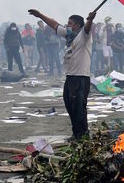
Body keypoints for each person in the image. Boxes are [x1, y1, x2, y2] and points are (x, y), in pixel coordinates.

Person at [28, 9, 96, 140]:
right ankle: (76, 133)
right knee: (69, 104)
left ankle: (82, 135)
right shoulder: (69, 35)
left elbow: (87, 28)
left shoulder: (84, 35)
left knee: (78, 107)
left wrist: (90, 19)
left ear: (77, 25)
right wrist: (40, 15)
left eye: (70, 23)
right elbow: (54, 25)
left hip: (80, 77)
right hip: (70, 77)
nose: (67, 25)